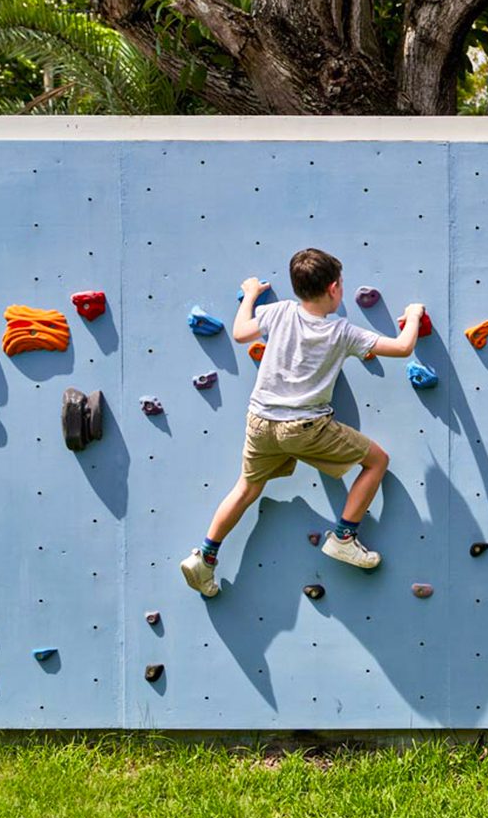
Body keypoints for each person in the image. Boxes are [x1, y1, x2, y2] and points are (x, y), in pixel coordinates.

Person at [180, 247, 424, 597]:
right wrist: (413, 314)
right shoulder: (341, 331)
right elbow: (402, 348)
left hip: (261, 421)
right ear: (335, 288)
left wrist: (249, 295)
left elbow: (240, 332)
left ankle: (205, 556)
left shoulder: (278, 312)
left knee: (247, 487)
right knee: (377, 461)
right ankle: (343, 537)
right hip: (306, 427)